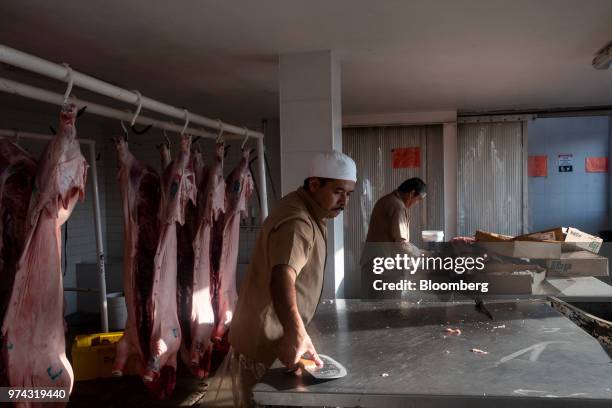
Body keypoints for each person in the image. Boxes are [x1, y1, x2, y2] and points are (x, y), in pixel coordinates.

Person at [202, 150, 356, 407]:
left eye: (348, 194)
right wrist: (296, 332)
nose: (344, 202)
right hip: (264, 345)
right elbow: (282, 276)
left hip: (265, 337)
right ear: (315, 184)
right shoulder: (298, 221)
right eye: (338, 192)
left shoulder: (305, 208)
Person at [361, 177, 426, 298]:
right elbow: (401, 243)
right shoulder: (398, 206)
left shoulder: (387, 200)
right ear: (412, 193)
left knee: (375, 305)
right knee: (390, 307)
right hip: (385, 266)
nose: (416, 203)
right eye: (418, 200)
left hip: (374, 262)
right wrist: (421, 254)